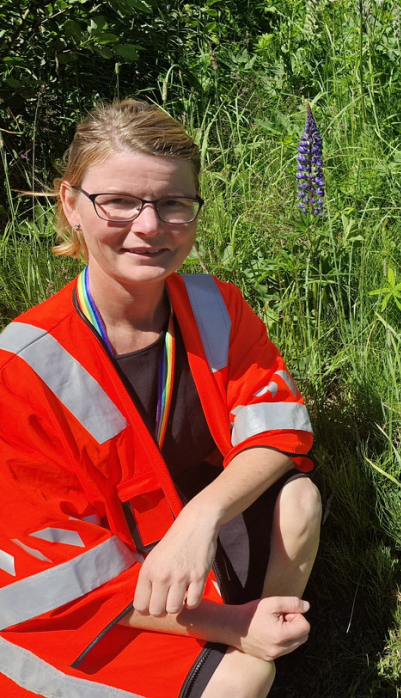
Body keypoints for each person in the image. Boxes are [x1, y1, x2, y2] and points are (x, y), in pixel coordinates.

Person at [0, 99, 322, 697]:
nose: (149, 226)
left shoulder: (213, 306)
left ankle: (273, 643)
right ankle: (245, 652)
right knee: (244, 675)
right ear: (69, 205)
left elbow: (278, 431)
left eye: (173, 203)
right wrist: (229, 624)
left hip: (179, 554)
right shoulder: (20, 367)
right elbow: (56, 578)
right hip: (83, 613)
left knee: (297, 499)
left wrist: (198, 518)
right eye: (118, 201)